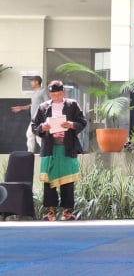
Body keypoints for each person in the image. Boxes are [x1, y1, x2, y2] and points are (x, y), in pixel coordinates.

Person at [31, 80, 87, 221]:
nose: (56, 97)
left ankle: (67, 212)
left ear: (63, 92)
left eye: (59, 94)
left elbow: (82, 122)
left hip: (66, 147)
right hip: (50, 148)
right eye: (53, 94)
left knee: (67, 181)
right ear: (49, 94)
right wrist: (42, 128)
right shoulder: (43, 107)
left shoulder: (72, 105)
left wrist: (71, 124)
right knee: (48, 180)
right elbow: (34, 125)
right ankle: (50, 212)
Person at [11, 75, 50, 153]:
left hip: (40, 119)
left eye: (32, 81)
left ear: (37, 82)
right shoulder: (34, 93)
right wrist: (21, 108)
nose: (31, 83)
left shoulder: (43, 91)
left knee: (38, 137)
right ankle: (30, 153)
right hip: (34, 119)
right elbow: (32, 105)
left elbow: (48, 103)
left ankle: (45, 152)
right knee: (30, 135)